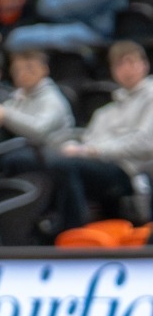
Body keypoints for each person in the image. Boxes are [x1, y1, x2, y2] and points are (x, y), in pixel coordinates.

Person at [45, 40, 153, 229]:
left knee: (64, 165)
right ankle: (52, 227)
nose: (127, 69)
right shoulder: (105, 112)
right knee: (50, 160)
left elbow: (145, 144)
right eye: (119, 64)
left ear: (145, 64)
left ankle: (72, 229)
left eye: (131, 62)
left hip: (132, 172)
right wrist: (82, 149)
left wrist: (93, 150)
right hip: (103, 167)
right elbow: (87, 144)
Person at [0, 46, 74, 159]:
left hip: (52, 154)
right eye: (17, 70)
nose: (23, 73)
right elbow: (0, 114)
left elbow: (40, 131)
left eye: (29, 68)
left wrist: (4, 114)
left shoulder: (53, 99)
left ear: (44, 69)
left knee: (16, 156)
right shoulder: (18, 95)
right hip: (26, 149)